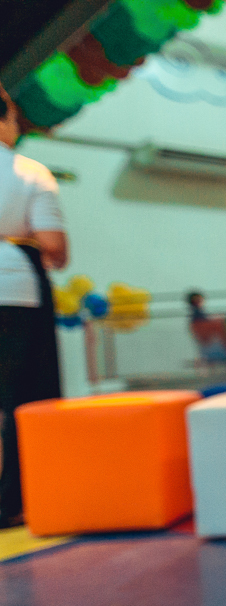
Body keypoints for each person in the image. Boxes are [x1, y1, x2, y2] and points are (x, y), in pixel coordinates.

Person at [0, 85, 68, 529]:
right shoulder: (29, 172)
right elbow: (55, 248)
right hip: (15, 292)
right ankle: (15, 502)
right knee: (20, 400)